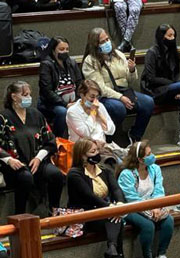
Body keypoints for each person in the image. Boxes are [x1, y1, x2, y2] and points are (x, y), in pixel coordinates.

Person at [67, 138, 134, 258]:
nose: (97, 154)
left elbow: (116, 189)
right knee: (115, 218)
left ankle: (112, 249)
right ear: (82, 155)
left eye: (97, 150)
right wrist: (110, 208)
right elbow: (89, 196)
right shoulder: (74, 174)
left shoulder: (105, 170)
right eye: (92, 151)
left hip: (103, 212)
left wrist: (120, 204)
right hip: (83, 215)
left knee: (115, 218)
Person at [0, 81, 64, 216]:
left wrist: (39, 158)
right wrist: (9, 160)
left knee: (56, 175)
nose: (28, 97)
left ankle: (54, 210)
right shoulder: (3, 118)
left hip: (37, 160)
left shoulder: (36, 114)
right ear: (14, 97)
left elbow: (50, 140)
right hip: (15, 164)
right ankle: (20, 215)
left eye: (29, 94)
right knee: (25, 178)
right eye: (25, 95)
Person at [82, 27, 154, 144]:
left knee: (148, 102)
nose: (107, 43)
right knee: (118, 108)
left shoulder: (119, 55)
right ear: (95, 45)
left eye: (107, 39)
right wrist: (120, 97)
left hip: (123, 90)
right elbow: (99, 88)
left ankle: (135, 135)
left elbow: (130, 81)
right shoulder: (90, 61)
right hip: (105, 96)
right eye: (102, 42)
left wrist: (131, 70)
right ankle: (110, 137)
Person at [117, 140, 174, 258]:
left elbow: (159, 190)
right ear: (140, 159)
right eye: (148, 154)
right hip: (132, 207)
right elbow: (132, 198)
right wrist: (150, 208)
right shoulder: (126, 174)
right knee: (148, 225)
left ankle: (161, 255)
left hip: (153, 205)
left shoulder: (155, 169)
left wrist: (157, 206)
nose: (152, 156)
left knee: (169, 220)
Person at [38, 36, 84, 139]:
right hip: (52, 103)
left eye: (67, 49)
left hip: (73, 100)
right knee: (63, 112)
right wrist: (65, 104)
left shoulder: (71, 62)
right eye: (61, 49)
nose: (65, 52)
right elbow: (47, 91)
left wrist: (78, 100)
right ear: (53, 50)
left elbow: (80, 83)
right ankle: (59, 139)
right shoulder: (46, 65)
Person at [66, 80, 118, 165]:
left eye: (97, 97)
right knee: (112, 165)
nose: (94, 101)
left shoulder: (99, 106)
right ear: (82, 95)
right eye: (92, 97)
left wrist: (100, 115)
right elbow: (86, 133)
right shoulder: (72, 112)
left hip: (103, 148)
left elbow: (111, 130)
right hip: (84, 152)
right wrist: (93, 114)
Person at [141, 24, 180, 109]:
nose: (173, 38)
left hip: (170, 89)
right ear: (162, 37)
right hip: (155, 91)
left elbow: (176, 74)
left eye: (174, 35)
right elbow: (151, 79)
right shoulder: (152, 53)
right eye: (170, 35)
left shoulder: (173, 52)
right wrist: (174, 85)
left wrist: (176, 90)